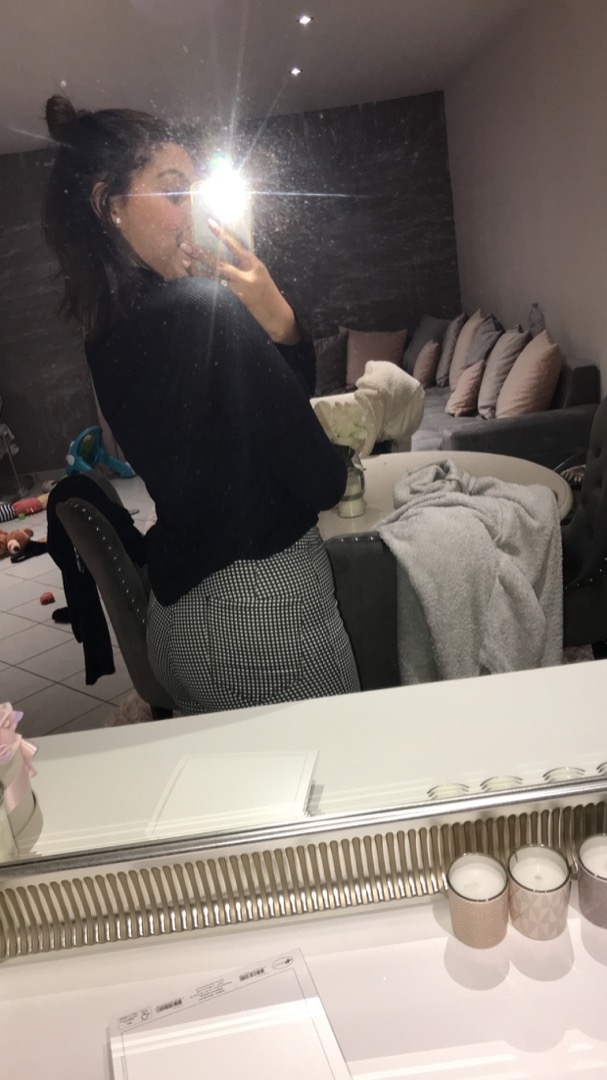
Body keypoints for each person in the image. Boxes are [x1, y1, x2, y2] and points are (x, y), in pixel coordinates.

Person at [43, 95, 360, 714]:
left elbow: (233, 438)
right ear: (109, 205)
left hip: (180, 622)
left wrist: (276, 321)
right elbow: (323, 480)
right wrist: (266, 318)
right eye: (172, 191)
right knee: (334, 770)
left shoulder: (103, 331)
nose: (191, 212)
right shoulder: (200, 310)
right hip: (264, 616)